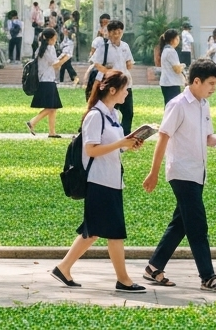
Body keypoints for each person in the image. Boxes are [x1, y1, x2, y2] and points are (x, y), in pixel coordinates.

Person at [141, 60, 216, 292]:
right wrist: (153, 173)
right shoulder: (178, 104)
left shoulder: (203, 105)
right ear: (196, 81)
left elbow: (208, 137)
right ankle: (208, 277)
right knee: (197, 225)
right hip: (181, 172)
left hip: (197, 172)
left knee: (181, 223)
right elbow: (163, 137)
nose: (214, 88)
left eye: (215, 83)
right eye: (211, 83)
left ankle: (154, 267)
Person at [50, 72, 146, 292]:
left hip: (112, 180)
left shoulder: (114, 115)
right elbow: (91, 149)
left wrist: (128, 144)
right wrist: (120, 143)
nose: (127, 92)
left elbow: (116, 145)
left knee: (92, 231)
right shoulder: (95, 116)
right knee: (114, 231)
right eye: (125, 89)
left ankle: (63, 268)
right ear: (112, 90)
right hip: (99, 181)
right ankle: (123, 280)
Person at [93, 20, 136, 132]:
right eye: (113, 32)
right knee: (110, 110)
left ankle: (125, 135)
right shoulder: (104, 47)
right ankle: (109, 132)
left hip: (125, 83)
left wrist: (129, 65)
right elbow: (97, 64)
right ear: (108, 32)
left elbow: (129, 63)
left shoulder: (125, 46)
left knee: (128, 112)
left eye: (119, 32)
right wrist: (108, 72)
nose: (116, 35)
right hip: (111, 84)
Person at [27, 28, 71, 137]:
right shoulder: (49, 48)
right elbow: (56, 65)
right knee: (50, 107)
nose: (56, 40)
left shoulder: (40, 49)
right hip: (47, 81)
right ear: (51, 39)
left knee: (53, 107)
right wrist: (66, 58)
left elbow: (52, 62)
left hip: (45, 80)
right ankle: (32, 122)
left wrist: (62, 58)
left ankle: (52, 132)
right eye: (55, 38)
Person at [83, 13, 112, 100]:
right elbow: (93, 55)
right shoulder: (98, 41)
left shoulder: (115, 42)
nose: (106, 26)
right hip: (99, 69)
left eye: (108, 23)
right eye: (104, 23)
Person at [156, 29, 185, 105]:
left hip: (167, 83)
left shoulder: (165, 50)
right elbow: (177, 69)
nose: (178, 40)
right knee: (173, 107)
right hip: (172, 83)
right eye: (177, 38)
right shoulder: (171, 51)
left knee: (169, 106)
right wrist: (183, 66)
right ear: (172, 40)